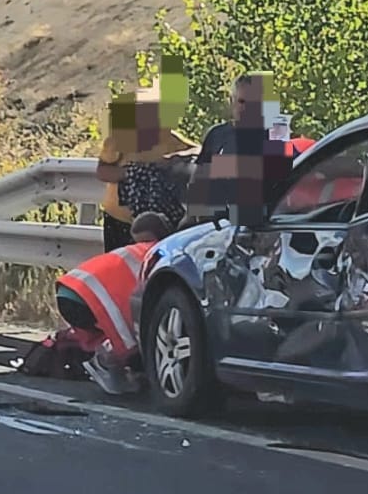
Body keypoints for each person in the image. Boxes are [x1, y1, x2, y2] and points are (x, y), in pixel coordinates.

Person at [54, 212, 172, 394]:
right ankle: (108, 364)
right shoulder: (161, 254)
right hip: (89, 297)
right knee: (128, 342)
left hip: (70, 290)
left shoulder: (130, 252)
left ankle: (108, 362)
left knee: (112, 335)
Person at [95, 85, 194, 250]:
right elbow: (102, 171)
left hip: (152, 226)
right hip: (119, 220)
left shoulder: (171, 140)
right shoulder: (119, 139)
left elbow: (195, 154)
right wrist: (134, 174)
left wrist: (165, 167)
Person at [187, 71, 289, 222]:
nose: (246, 108)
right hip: (213, 226)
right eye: (241, 102)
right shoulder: (217, 134)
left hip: (256, 223)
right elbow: (199, 179)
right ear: (231, 100)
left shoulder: (273, 136)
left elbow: (280, 177)